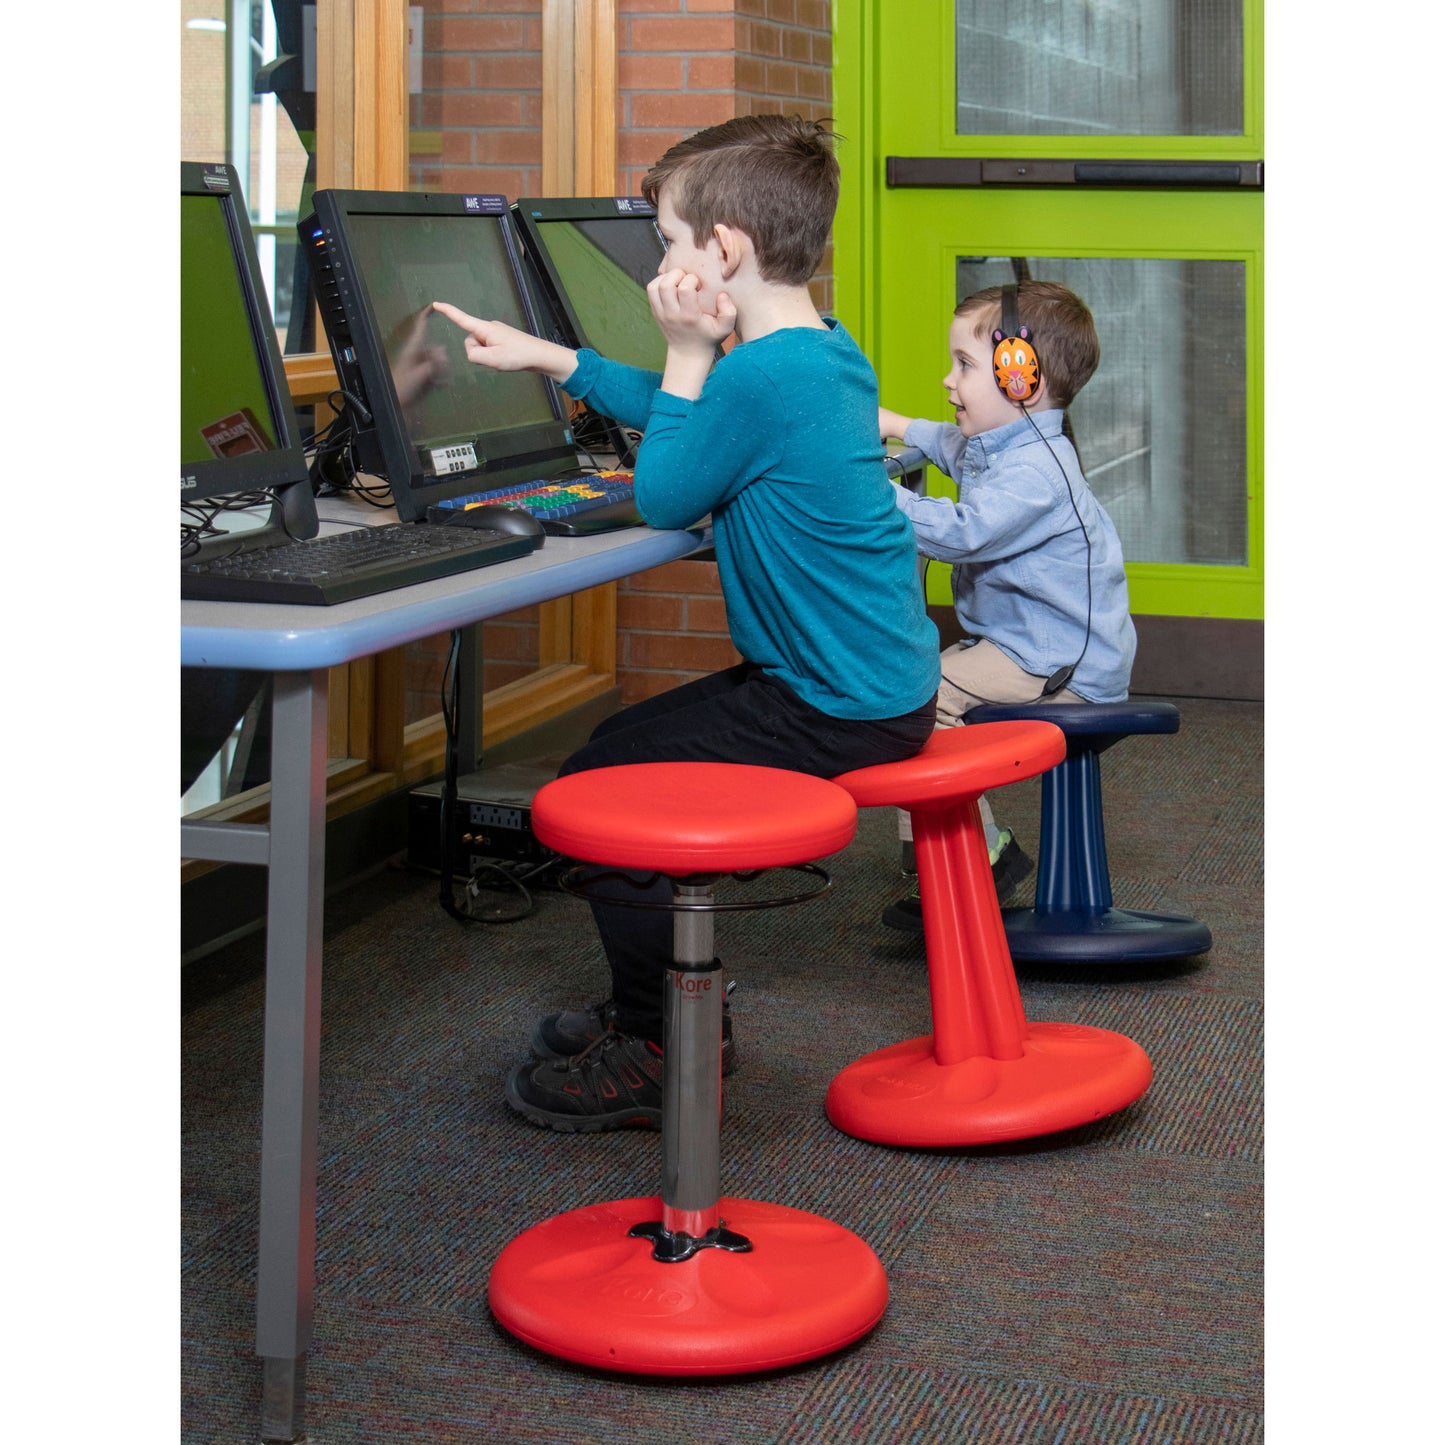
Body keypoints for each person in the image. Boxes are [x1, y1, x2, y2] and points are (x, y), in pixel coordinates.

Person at [432, 114, 940, 1132]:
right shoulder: (820, 351)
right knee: (618, 746)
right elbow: (702, 412)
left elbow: (665, 489)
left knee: (596, 788)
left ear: (724, 250)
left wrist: (679, 351)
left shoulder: (759, 372)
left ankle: (661, 1040)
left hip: (831, 702)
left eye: (666, 241)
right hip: (865, 679)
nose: (660, 263)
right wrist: (553, 358)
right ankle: (663, 1002)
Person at [877, 279, 1136, 932]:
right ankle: (944, 845)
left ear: (1021, 377)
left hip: (1059, 667)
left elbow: (961, 532)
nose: (948, 380)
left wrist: (867, 492)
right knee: (916, 683)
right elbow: (956, 448)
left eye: (964, 365)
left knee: (916, 694)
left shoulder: (1036, 473)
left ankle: (978, 854)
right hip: (1033, 650)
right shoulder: (1011, 446)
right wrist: (894, 424)